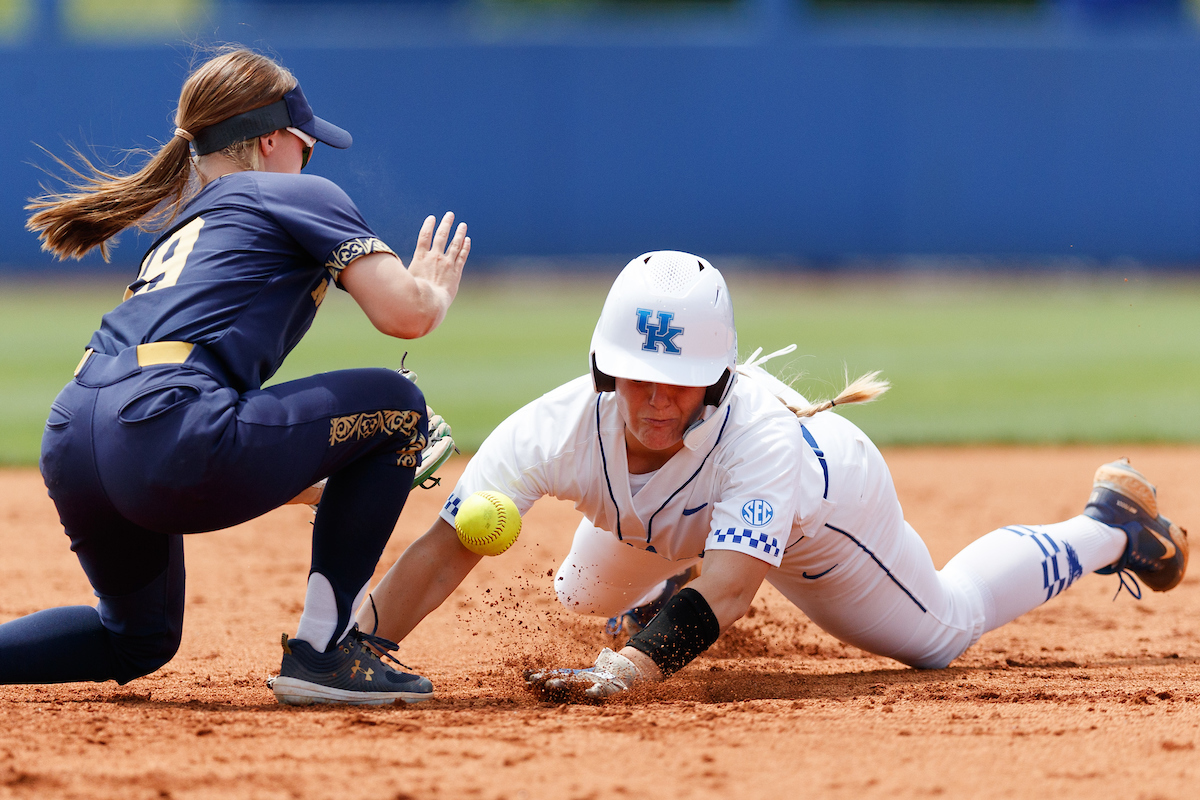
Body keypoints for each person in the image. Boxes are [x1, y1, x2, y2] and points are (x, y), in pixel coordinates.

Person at [359, 250, 1188, 701]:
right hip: (679, 521)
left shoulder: (758, 434)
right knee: (580, 598)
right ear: (604, 369)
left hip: (819, 515)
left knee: (941, 636)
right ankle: (659, 584)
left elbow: (729, 591)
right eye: (636, 374)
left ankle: (1111, 524)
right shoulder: (551, 427)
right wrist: (358, 645)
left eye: (678, 379)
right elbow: (446, 545)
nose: (655, 397)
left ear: (717, 377)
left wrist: (624, 675)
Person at [2, 47, 470, 706]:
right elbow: (403, 315)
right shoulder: (294, 192)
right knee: (398, 405)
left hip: (75, 435)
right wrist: (436, 295)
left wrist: (338, 481)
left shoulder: (187, 226)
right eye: (307, 146)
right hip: (165, 426)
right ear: (273, 139)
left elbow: (205, 436)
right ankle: (322, 654)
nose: (310, 163)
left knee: (139, 638)